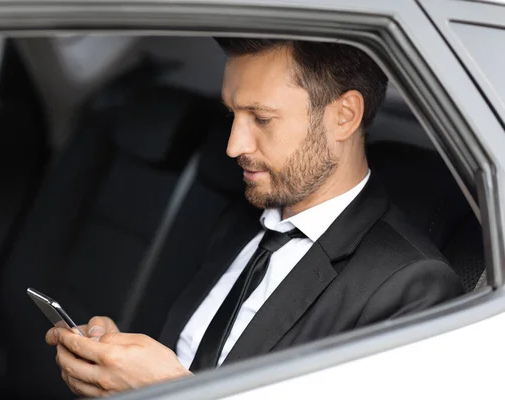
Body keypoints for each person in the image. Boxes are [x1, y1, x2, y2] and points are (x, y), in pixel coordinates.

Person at [45, 38, 464, 397]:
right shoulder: (240, 221)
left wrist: (169, 389)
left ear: (344, 116)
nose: (233, 145)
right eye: (233, 115)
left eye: (261, 118)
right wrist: (118, 366)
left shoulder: (409, 287)